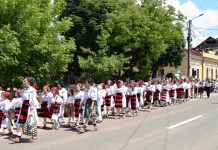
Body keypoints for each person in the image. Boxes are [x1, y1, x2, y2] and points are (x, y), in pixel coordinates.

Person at [12, 77, 39, 143]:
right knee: (21, 121)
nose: (23, 82)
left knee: (31, 122)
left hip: (29, 107)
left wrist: (32, 110)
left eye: (24, 81)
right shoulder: (24, 90)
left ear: (29, 82)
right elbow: (22, 99)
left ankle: (34, 136)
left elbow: (33, 100)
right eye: (23, 81)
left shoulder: (32, 90)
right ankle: (18, 137)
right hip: (24, 107)